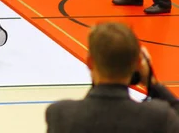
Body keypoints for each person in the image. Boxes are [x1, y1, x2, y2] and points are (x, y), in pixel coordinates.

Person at [46, 22, 179, 132]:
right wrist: (153, 83)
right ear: (138, 64)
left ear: (90, 62)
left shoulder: (61, 115)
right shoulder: (158, 117)